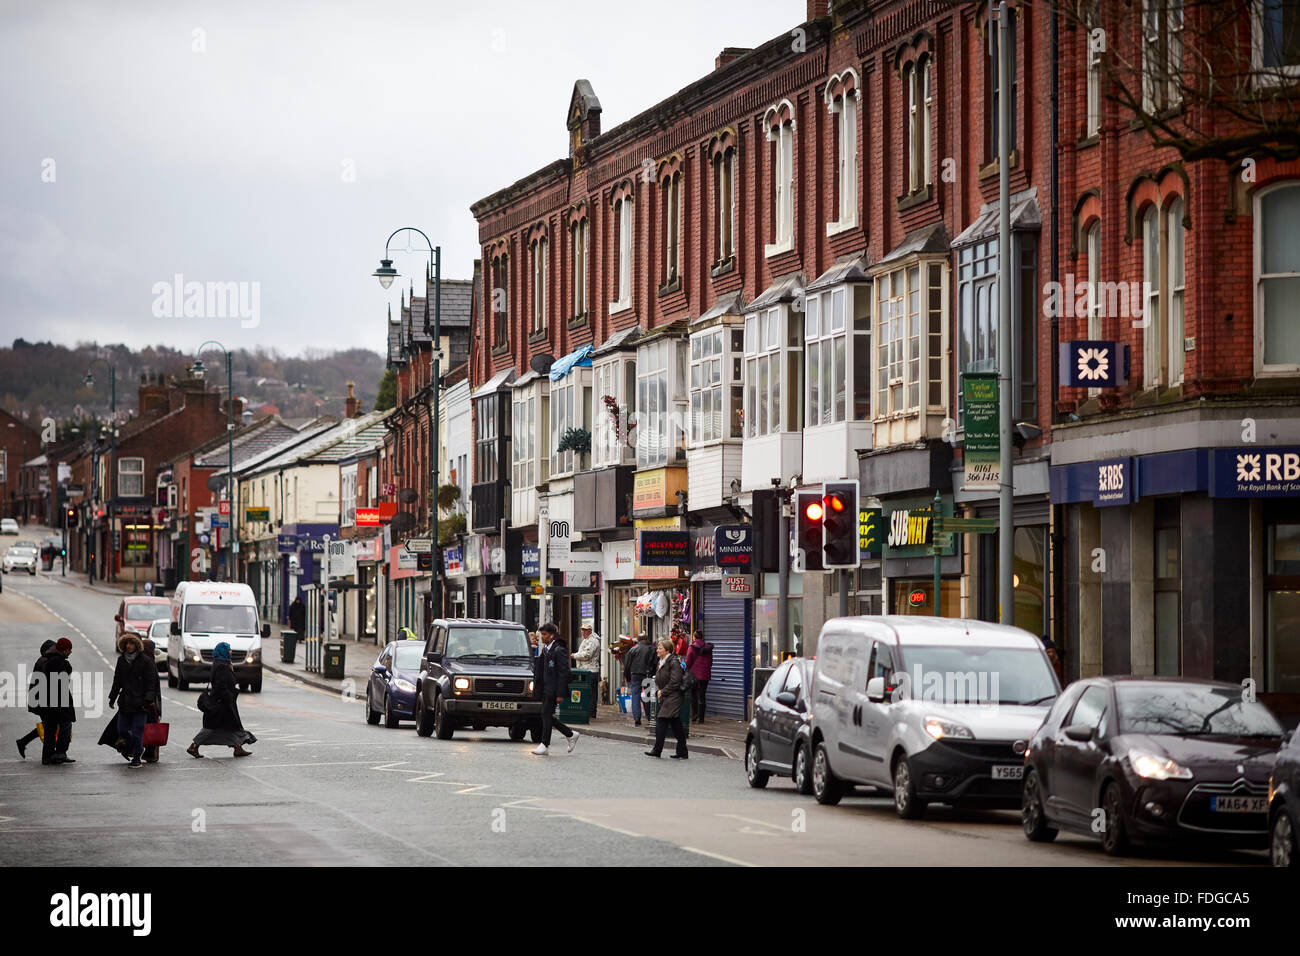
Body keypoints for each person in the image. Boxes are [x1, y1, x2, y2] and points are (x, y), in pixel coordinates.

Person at [187, 642, 256, 758]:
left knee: (232, 727)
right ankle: (194, 746)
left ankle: (238, 748)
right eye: (229, 650)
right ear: (223, 651)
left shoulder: (221, 663)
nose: (231, 652)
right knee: (212, 728)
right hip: (221, 704)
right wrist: (229, 696)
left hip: (224, 702)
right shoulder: (222, 666)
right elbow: (220, 686)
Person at [108, 633, 157, 769]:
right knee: (122, 730)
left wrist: (148, 700)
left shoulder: (146, 661)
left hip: (141, 703)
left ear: (137, 645)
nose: (129, 646)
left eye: (131, 643)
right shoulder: (121, 660)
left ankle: (136, 758)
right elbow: (117, 681)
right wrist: (112, 697)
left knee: (137, 731)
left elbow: (151, 683)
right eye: (127, 643)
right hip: (125, 702)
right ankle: (138, 748)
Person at [531, 622, 578, 756]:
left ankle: (545, 744)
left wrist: (560, 693)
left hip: (553, 689)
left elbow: (564, 672)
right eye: (541, 634)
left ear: (552, 635)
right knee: (545, 715)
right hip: (546, 688)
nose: (542, 637)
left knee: (545, 714)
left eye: (544, 634)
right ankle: (570, 734)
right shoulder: (546, 649)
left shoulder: (559, 649)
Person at [36, 638, 77, 765]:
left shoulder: (48, 659)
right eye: (69, 649)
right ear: (64, 649)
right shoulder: (57, 662)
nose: (70, 652)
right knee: (65, 726)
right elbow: (61, 683)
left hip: (47, 701)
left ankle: (47, 756)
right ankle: (59, 753)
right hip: (58, 701)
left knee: (50, 729)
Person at [646, 639, 688, 759]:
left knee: (661, 720)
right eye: (658, 648)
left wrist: (663, 691)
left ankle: (657, 750)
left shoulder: (673, 662)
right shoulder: (661, 661)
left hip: (674, 696)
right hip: (667, 695)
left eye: (660, 648)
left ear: (667, 650)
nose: (657, 650)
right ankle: (682, 751)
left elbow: (675, 681)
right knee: (675, 723)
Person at [16, 640, 56, 758]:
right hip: (41, 699)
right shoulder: (44, 661)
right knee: (49, 726)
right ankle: (49, 753)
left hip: (40, 698)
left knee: (48, 724)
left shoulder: (43, 660)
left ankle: (23, 742)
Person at [622, 634, 656, 728]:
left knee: (635, 696)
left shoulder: (633, 649)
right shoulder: (652, 649)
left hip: (635, 674)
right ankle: (650, 717)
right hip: (647, 674)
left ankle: (637, 718)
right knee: (647, 696)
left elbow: (627, 665)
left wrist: (627, 676)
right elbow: (654, 663)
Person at [140, 638, 163, 763]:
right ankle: (150, 754)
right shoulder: (148, 662)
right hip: (150, 701)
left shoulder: (147, 660)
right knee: (151, 727)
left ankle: (149, 753)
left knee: (148, 726)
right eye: (152, 648)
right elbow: (152, 684)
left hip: (149, 699)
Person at [572, 623, 602, 718]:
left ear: (590, 631)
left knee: (591, 693)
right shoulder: (587, 640)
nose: (583, 632)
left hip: (590, 671)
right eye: (582, 630)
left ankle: (591, 712)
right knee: (588, 693)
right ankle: (588, 711)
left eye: (585, 630)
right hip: (586, 670)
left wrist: (574, 655)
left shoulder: (592, 641)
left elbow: (587, 655)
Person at [684, 629, 712, 723]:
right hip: (705, 675)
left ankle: (694, 715)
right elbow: (711, 662)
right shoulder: (708, 648)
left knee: (694, 695)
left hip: (694, 675)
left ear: (694, 637)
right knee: (702, 696)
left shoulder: (692, 647)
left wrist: (684, 669)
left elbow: (688, 662)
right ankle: (701, 718)